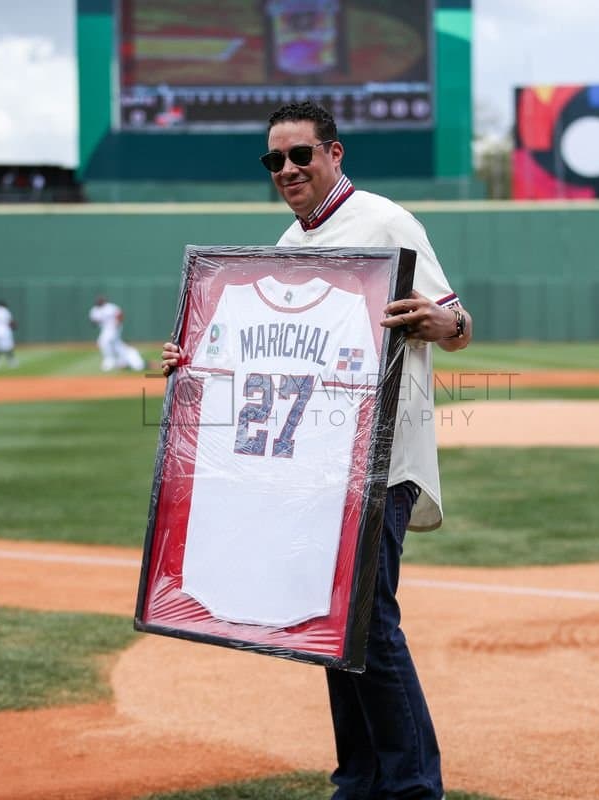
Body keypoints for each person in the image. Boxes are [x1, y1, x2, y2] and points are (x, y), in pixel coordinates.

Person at [162, 100, 471, 799]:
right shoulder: (288, 241)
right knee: (330, 624)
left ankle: (413, 784)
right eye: (275, 160)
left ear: (335, 154)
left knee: (369, 622)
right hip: (315, 469)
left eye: (301, 154)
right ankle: (359, 778)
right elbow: (270, 355)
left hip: (379, 461)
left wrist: (442, 319)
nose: (288, 169)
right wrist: (195, 359)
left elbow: (458, 324)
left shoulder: (386, 222)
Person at [88, 295, 146, 372]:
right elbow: (93, 322)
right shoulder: (95, 310)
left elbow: (120, 314)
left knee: (103, 341)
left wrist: (117, 323)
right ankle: (121, 361)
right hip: (105, 329)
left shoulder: (110, 307)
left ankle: (110, 360)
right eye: (98, 300)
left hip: (113, 328)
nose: (99, 301)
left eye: (100, 300)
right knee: (114, 345)